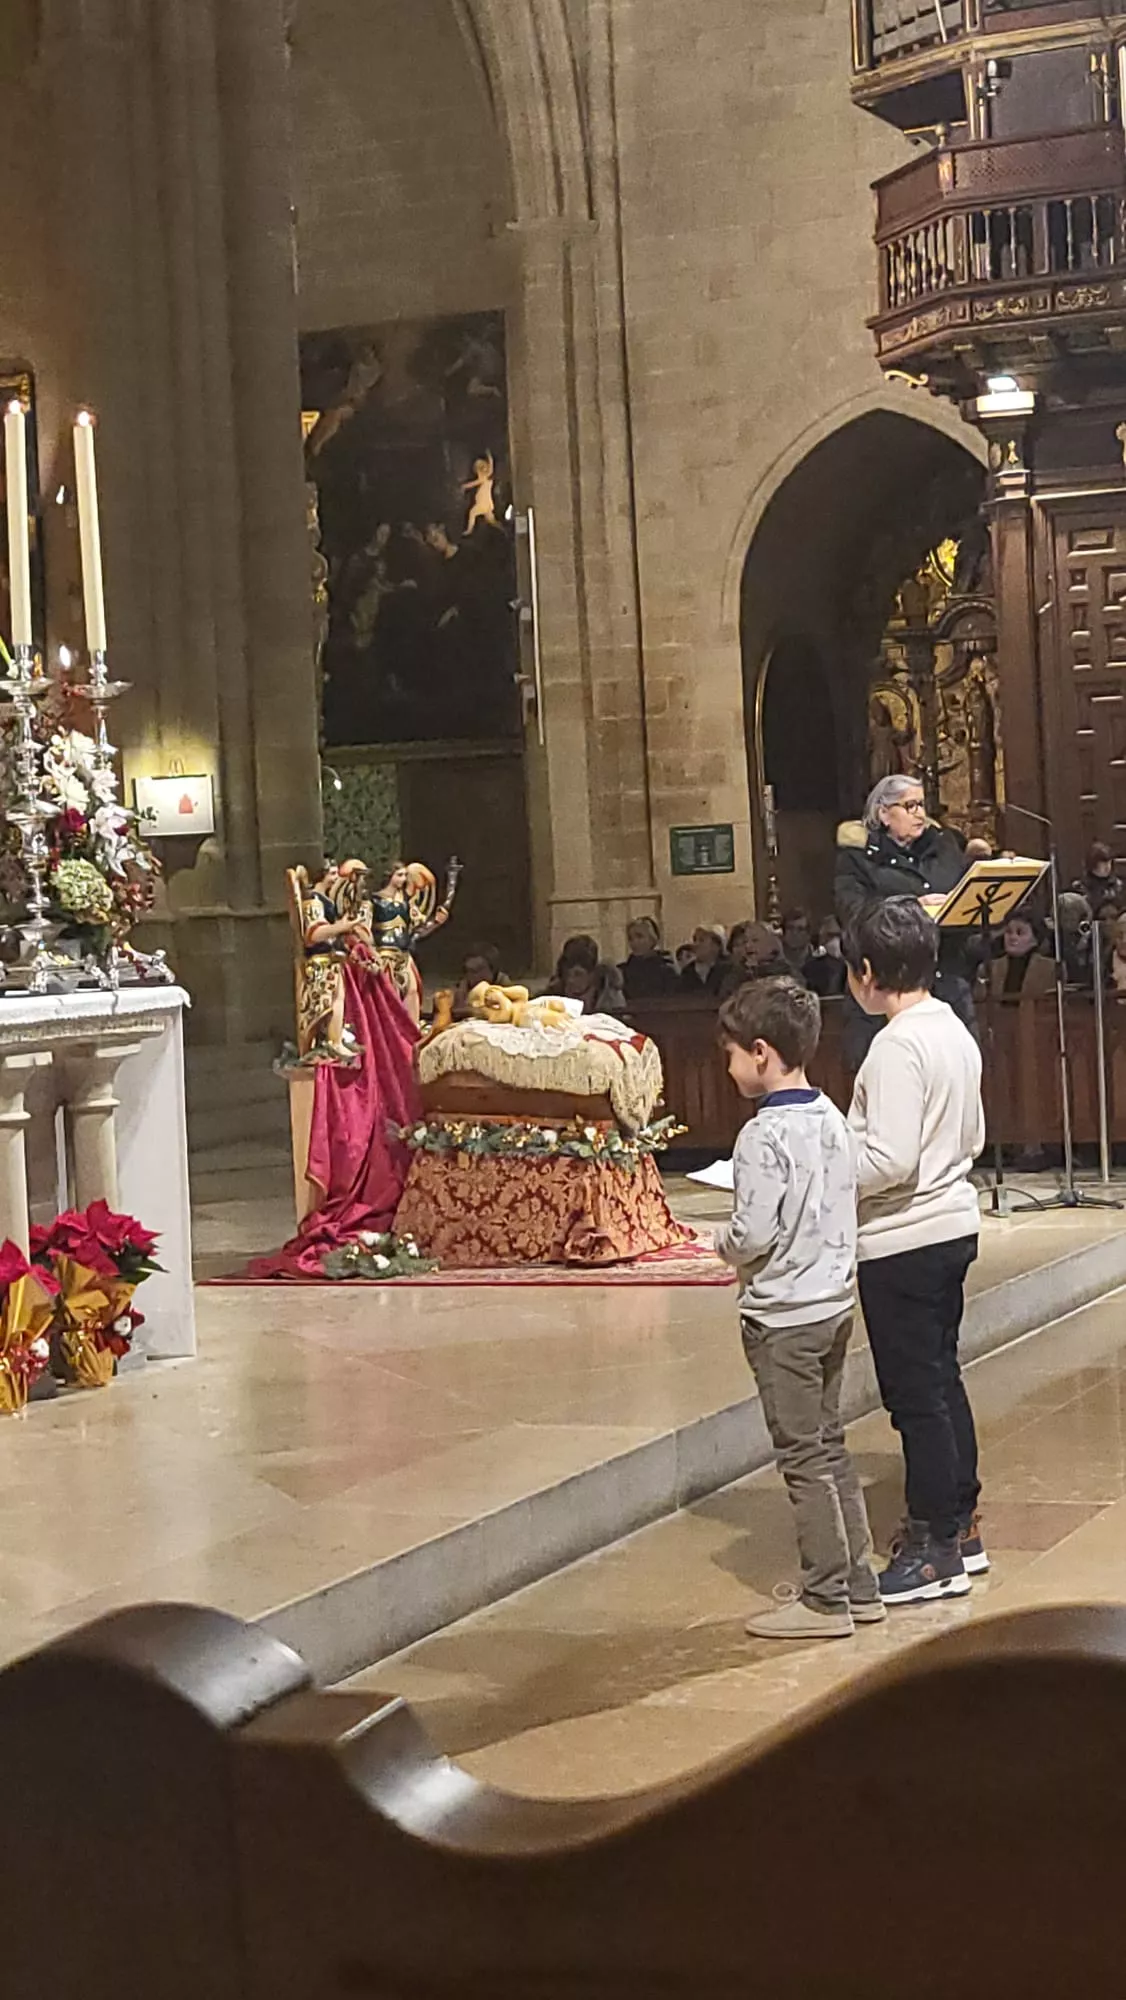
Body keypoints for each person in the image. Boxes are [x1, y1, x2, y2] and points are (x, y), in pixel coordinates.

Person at [714, 977, 883, 1641]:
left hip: (783, 1317)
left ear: (761, 1053)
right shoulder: (833, 1118)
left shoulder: (762, 1137)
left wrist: (719, 1243)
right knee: (830, 1446)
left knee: (802, 1458)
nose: (728, 1068)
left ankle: (823, 1598)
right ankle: (860, 1586)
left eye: (730, 1054)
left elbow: (753, 1234)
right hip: (833, 1304)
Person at [844, 898, 986, 1606]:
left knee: (916, 1399)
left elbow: (888, 1159)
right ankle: (961, 1525)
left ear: (866, 973)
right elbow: (974, 1135)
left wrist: (829, 1164)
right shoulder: (952, 1029)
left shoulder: (896, 1044)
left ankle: (934, 1549)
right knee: (942, 1381)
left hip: (904, 1236)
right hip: (951, 1223)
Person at [835, 774, 976, 1069]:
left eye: (922, 805)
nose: (920, 814)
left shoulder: (945, 847)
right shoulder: (859, 858)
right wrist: (915, 908)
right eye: (910, 806)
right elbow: (855, 913)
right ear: (883, 813)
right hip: (888, 992)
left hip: (947, 983)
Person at [988, 912, 1055, 1001]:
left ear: (1035, 939)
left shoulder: (1051, 968)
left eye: (1020, 933)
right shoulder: (990, 967)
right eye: (1008, 932)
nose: (1012, 937)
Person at [718, 921, 787, 1000]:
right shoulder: (737, 972)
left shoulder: (785, 972)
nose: (748, 946)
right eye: (746, 941)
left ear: (772, 944)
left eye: (755, 940)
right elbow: (724, 998)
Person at [619, 916, 679, 1000]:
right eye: (630, 938)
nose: (634, 942)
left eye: (640, 937)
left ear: (653, 939)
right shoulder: (623, 971)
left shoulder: (667, 969)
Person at [452, 942, 507, 1019]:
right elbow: (456, 1010)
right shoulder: (465, 983)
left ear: (492, 969)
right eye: (469, 971)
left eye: (479, 970)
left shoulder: (501, 980)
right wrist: (476, 1011)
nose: (474, 976)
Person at [1075, 841, 1126, 917]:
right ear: (1093, 864)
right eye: (1103, 863)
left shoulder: (1119, 884)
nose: (1107, 867)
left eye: (1109, 862)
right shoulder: (1082, 887)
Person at [679, 924, 732, 997]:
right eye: (695, 940)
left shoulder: (729, 969)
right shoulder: (688, 971)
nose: (695, 944)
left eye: (701, 940)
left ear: (716, 946)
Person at [805, 916, 848, 998]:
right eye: (830, 936)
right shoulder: (811, 968)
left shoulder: (855, 967)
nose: (834, 940)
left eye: (838, 935)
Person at [780, 908, 812, 978]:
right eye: (790, 928)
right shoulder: (773, 960)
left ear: (808, 934)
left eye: (800, 929)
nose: (794, 933)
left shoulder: (819, 960)